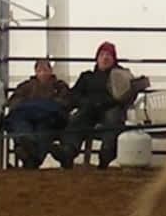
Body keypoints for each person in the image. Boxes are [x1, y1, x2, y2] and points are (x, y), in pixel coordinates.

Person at [58, 41, 142, 170]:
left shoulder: (121, 77)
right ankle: (68, 152)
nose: (105, 58)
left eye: (109, 55)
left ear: (114, 59)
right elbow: (74, 95)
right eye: (102, 54)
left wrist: (134, 87)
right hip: (89, 110)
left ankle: (105, 157)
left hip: (110, 108)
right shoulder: (87, 77)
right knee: (78, 118)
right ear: (97, 58)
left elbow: (128, 96)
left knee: (112, 118)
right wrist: (83, 103)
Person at [4, 57, 72, 169]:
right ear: (35, 72)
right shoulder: (26, 86)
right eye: (39, 70)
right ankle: (30, 149)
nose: (42, 73)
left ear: (51, 71)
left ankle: (29, 154)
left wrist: (45, 106)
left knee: (44, 128)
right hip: (27, 118)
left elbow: (66, 102)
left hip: (49, 119)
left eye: (45, 70)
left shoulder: (59, 86)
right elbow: (14, 101)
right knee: (21, 125)